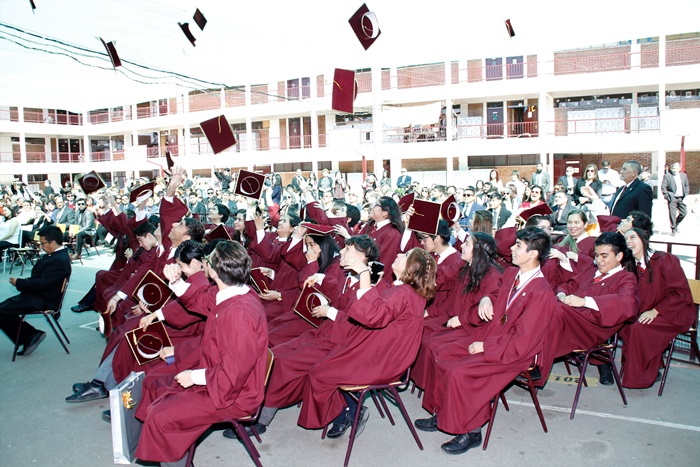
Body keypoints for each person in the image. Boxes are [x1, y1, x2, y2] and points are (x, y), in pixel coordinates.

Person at [415, 227, 557, 455]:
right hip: (493, 336)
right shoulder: (512, 274)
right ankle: (442, 413)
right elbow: (495, 299)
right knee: (441, 355)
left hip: (512, 352)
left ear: (533, 254)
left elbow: (523, 343)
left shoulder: (541, 293)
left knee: (459, 372)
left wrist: (486, 347)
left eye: (518, 246)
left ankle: (471, 431)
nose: (511, 248)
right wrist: (484, 299)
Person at [135, 241, 268, 467]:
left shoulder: (238, 314)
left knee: (162, 415)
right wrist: (176, 282)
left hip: (235, 394)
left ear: (214, 271)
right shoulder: (234, 291)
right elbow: (200, 299)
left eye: (208, 260)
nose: (205, 262)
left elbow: (233, 374)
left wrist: (194, 377)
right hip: (221, 379)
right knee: (160, 389)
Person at [297, 248, 436, 437]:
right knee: (329, 361)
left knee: (319, 373)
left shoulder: (402, 292)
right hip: (382, 353)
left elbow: (370, 315)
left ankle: (345, 413)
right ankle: (351, 409)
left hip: (381, 360)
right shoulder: (406, 290)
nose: (398, 255)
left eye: (405, 256)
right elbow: (378, 308)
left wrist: (363, 274)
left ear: (412, 267)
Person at [550, 232, 639, 384]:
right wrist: (562, 296)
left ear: (619, 256)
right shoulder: (590, 272)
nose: (599, 260)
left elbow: (626, 303)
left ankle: (537, 360)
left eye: (604, 256)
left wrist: (585, 301)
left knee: (555, 312)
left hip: (594, 327)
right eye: (596, 256)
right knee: (546, 306)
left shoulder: (626, 278)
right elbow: (567, 286)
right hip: (572, 319)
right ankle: (533, 355)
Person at [619, 228, 696, 389]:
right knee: (625, 325)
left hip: (674, 311)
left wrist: (656, 311)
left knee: (638, 329)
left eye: (633, 237)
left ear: (644, 239)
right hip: (648, 312)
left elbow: (680, 293)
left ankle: (641, 377)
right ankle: (651, 364)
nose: (629, 241)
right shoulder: (632, 265)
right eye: (626, 239)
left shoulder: (664, 260)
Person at [0, 225, 71, 356]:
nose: (41, 246)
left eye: (43, 243)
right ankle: (29, 335)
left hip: (43, 299)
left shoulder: (58, 260)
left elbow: (42, 283)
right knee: (2, 309)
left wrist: (20, 283)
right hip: (39, 295)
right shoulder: (56, 255)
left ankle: (30, 335)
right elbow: (42, 280)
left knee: (1, 311)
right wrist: (23, 282)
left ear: (53, 242)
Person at [661, 162, 690, 236]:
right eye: (673, 168)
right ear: (671, 168)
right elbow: (663, 187)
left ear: (679, 169)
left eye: (677, 169)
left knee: (684, 212)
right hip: (672, 198)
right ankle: (673, 229)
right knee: (672, 214)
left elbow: (686, 186)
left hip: (680, 197)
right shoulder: (667, 176)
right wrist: (667, 196)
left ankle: (676, 224)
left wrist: (685, 194)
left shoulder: (683, 176)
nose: (675, 170)